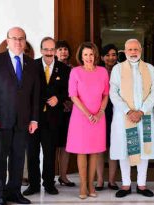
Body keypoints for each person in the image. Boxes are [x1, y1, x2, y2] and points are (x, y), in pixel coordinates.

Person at [0, 27, 40, 205]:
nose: (18, 42)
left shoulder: (32, 64)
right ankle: (0, 194)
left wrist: (34, 118)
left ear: (25, 41)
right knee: (0, 160)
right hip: (0, 121)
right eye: (14, 38)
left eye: (21, 39)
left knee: (17, 159)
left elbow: (35, 95)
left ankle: (15, 192)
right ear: (7, 41)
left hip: (23, 122)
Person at [110, 39, 154, 198]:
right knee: (125, 149)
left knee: (144, 150)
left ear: (141, 50)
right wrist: (128, 111)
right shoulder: (117, 69)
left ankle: (141, 184)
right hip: (124, 116)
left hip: (144, 116)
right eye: (130, 49)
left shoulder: (150, 69)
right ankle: (125, 184)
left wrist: (142, 111)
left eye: (136, 49)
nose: (133, 52)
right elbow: (113, 93)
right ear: (124, 51)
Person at [23, 37, 69, 196]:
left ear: (55, 51)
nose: (49, 53)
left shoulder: (64, 69)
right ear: (41, 50)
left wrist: (59, 98)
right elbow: (25, 90)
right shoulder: (31, 66)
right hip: (33, 118)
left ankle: (49, 184)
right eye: (46, 49)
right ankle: (33, 185)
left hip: (52, 119)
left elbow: (67, 91)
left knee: (49, 153)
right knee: (32, 153)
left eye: (52, 50)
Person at [66, 42, 109, 199]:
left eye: (91, 54)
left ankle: (91, 184)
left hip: (98, 117)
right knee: (82, 151)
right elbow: (73, 95)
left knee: (95, 151)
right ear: (81, 56)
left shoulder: (103, 72)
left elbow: (106, 95)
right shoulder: (75, 72)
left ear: (95, 55)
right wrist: (88, 114)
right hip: (80, 117)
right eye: (85, 55)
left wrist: (99, 113)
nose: (89, 58)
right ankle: (83, 185)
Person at [96, 44, 119, 191]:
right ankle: (99, 180)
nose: (111, 57)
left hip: (117, 111)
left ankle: (111, 180)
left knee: (113, 146)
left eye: (114, 54)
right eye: (108, 55)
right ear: (102, 57)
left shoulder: (121, 69)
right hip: (100, 111)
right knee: (99, 147)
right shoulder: (97, 70)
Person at [55, 40, 75, 187]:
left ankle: (63, 175)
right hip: (54, 111)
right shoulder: (51, 68)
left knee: (65, 145)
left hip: (70, 112)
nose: (63, 52)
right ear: (55, 52)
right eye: (60, 49)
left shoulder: (74, 69)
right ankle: (50, 176)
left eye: (65, 49)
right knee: (52, 146)